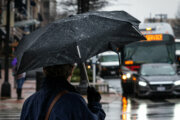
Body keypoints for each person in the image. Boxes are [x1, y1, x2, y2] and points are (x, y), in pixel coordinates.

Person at [20, 64, 106, 120]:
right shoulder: (73, 101)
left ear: (44, 70)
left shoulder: (29, 103)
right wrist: (95, 105)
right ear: (71, 70)